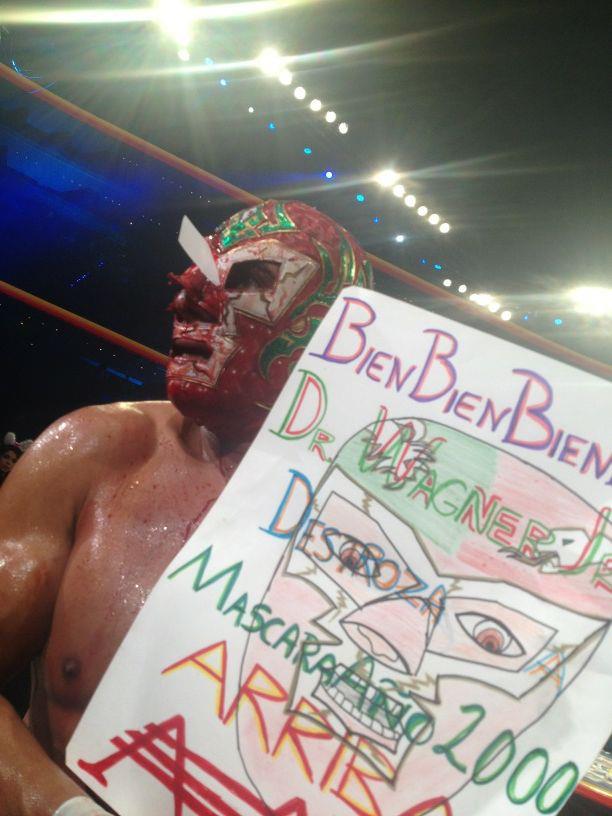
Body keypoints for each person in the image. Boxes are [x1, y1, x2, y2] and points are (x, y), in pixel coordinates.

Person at [0, 200, 373, 815]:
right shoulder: (95, 451)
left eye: (249, 279)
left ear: (332, 331)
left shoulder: (382, 536)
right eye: (196, 275)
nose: (188, 301)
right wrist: (61, 809)